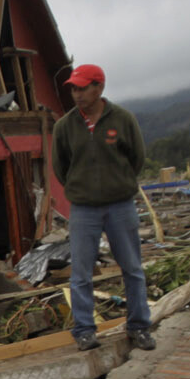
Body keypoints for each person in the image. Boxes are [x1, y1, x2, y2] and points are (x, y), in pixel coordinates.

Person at [50, 63, 155, 352]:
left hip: (120, 205)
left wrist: (116, 185)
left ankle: (139, 327)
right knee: (81, 272)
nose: (77, 94)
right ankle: (84, 330)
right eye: (73, 88)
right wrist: (82, 188)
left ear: (99, 88)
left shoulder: (122, 119)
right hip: (83, 209)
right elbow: (61, 167)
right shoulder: (65, 126)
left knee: (132, 268)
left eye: (83, 88)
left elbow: (136, 158)